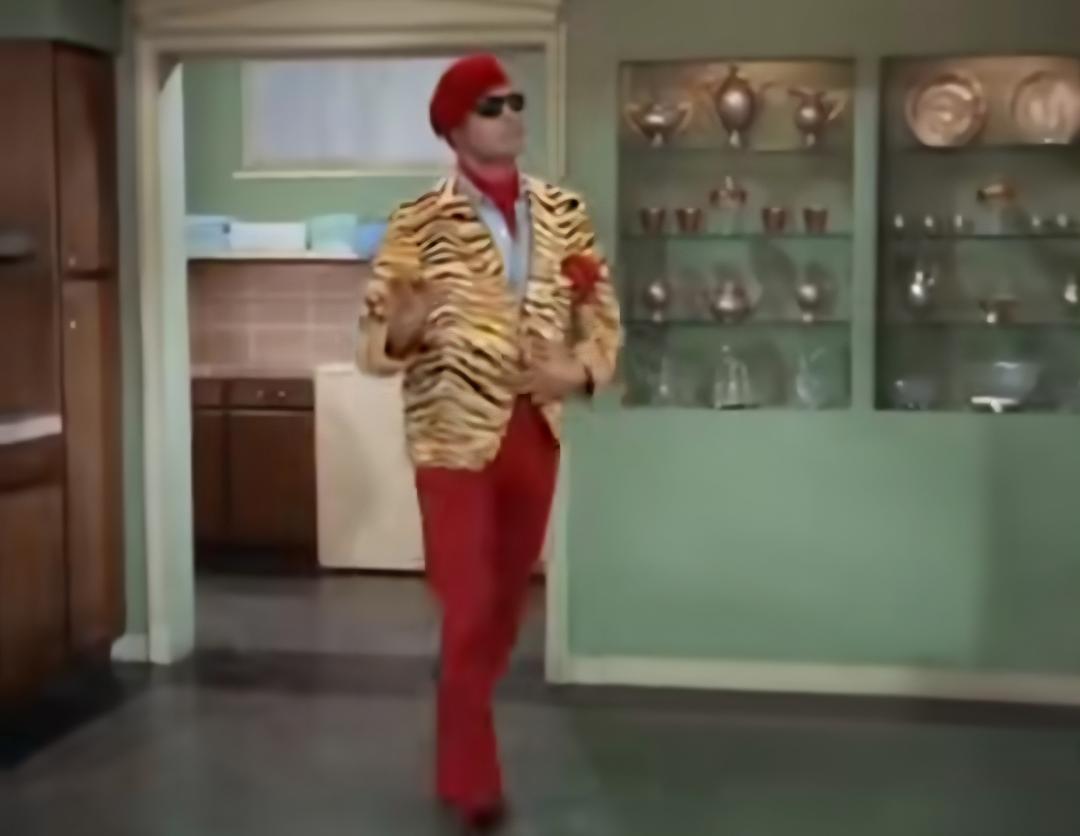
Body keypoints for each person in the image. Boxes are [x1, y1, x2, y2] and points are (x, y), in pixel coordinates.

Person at [357, 53, 621, 832]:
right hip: (451, 439)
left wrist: (579, 371)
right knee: (469, 604)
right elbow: (373, 346)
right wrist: (404, 326)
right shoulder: (417, 222)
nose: (512, 117)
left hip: (535, 432)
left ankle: (460, 687)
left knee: (502, 611)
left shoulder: (565, 212)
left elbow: (601, 319)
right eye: (492, 106)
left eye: (517, 103)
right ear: (454, 127)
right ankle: (473, 779)